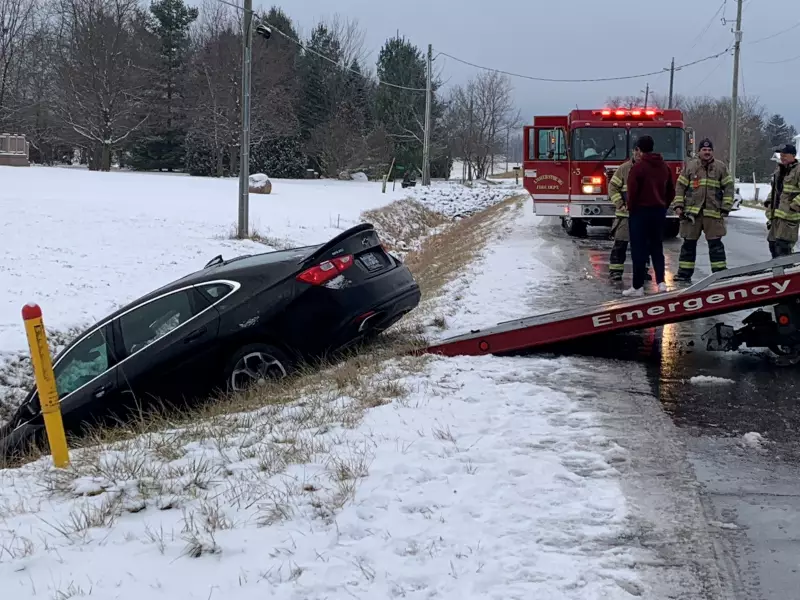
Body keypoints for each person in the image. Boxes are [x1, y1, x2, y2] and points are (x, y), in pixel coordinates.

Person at [671, 138, 734, 282]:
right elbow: (680, 187)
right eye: (704, 150)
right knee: (688, 245)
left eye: (709, 150)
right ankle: (683, 274)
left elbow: (729, 188)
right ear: (699, 151)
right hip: (692, 214)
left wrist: (726, 207)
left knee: (716, 245)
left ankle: (720, 274)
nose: (707, 152)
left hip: (713, 213)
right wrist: (679, 205)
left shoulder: (720, 167)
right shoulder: (691, 167)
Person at [622, 135, 674, 297]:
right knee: (656, 247)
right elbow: (671, 191)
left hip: (640, 213)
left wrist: (630, 208)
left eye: (636, 150)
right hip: (658, 212)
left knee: (639, 250)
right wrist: (663, 205)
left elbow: (633, 193)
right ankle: (661, 282)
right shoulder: (664, 167)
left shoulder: (638, 168)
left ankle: (637, 287)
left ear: (639, 150)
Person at [607, 148, 651, 281]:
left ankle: (642, 271)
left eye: (642, 151)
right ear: (633, 152)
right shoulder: (624, 168)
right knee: (620, 243)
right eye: (636, 151)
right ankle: (615, 271)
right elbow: (612, 187)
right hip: (625, 216)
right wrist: (619, 203)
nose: (639, 154)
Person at [764, 143, 800, 257]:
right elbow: (775, 190)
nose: (782, 156)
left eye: (785, 154)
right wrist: (769, 201)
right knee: (773, 245)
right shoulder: (779, 171)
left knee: (783, 247)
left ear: (793, 156)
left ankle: (787, 272)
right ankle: (777, 273)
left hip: (789, 218)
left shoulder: (798, 171)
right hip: (776, 217)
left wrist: (794, 206)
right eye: (781, 154)